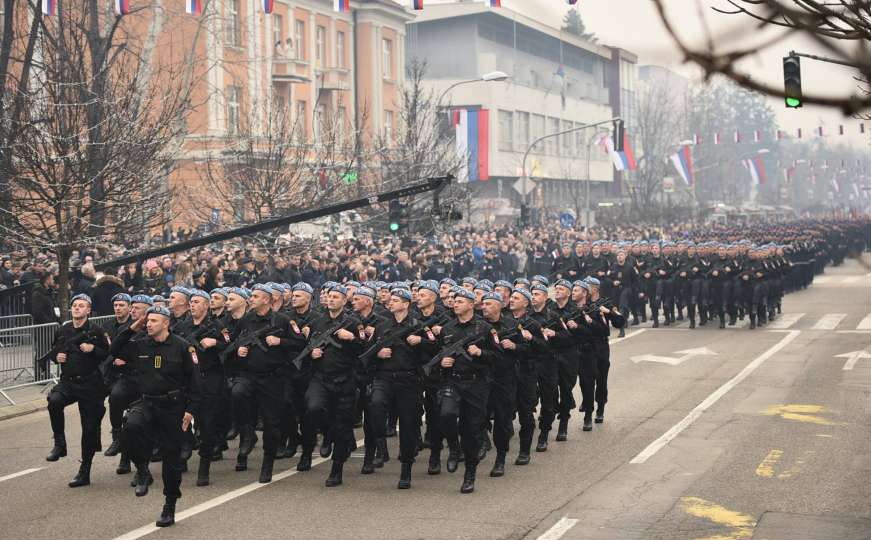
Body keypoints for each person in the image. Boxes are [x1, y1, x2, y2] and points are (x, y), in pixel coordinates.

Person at [111, 306, 199, 528]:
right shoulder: (140, 344)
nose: (148, 324)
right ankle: (142, 470)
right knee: (130, 430)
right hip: (146, 402)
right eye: (147, 320)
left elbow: (196, 382)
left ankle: (169, 505)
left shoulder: (182, 347)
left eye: (153, 321)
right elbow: (114, 349)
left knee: (172, 459)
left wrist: (190, 410)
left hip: (173, 407)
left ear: (166, 323)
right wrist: (133, 327)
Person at [298, 284, 362, 486]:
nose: (332, 299)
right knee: (313, 407)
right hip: (321, 377)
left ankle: (337, 469)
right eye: (329, 296)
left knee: (343, 424)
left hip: (344, 379)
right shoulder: (317, 322)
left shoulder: (354, 323)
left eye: (336, 297)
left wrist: (351, 338)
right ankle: (327, 432)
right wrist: (312, 354)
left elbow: (364, 351)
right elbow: (306, 349)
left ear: (344, 300)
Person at [44, 294, 110, 489]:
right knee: (54, 401)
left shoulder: (97, 331)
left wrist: (93, 349)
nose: (77, 308)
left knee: (89, 428)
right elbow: (55, 351)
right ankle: (60, 444)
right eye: (75, 305)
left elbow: (108, 353)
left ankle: (85, 471)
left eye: (82, 306)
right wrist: (58, 358)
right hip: (68, 382)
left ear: (88, 310)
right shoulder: (63, 330)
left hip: (90, 384)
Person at [434, 287, 493, 494]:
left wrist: (481, 353)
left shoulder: (484, 328)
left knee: (472, 430)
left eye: (460, 300)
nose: (455, 303)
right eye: (454, 301)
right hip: (453, 382)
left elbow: (498, 357)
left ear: (471, 304)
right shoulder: (447, 328)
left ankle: (470, 474)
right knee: (446, 415)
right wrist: (444, 362)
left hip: (476, 384)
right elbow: (439, 354)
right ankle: (453, 447)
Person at [369, 288, 426, 488]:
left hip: (409, 380)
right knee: (375, 409)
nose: (390, 303)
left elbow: (433, 351)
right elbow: (369, 352)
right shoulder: (383, 325)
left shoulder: (418, 326)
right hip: (384, 377)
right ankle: (381, 448)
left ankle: (406, 470)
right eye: (390, 300)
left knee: (408, 426)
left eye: (395, 300)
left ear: (406, 303)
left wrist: (421, 342)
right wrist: (378, 354)